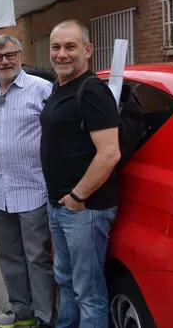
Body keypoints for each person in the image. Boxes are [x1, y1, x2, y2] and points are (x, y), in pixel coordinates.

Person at [40, 20, 121, 328]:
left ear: (88, 50)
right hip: (59, 206)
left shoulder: (92, 92)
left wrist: (77, 196)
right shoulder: (59, 87)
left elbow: (110, 153)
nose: (62, 54)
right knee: (65, 279)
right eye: (56, 47)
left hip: (84, 209)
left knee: (88, 292)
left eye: (70, 47)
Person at [0, 35, 56, 328]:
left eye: (11, 55)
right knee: (8, 254)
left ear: (20, 55)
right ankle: (21, 310)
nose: (5, 61)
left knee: (37, 257)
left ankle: (44, 317)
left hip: (33, 189)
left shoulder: (41, 89)